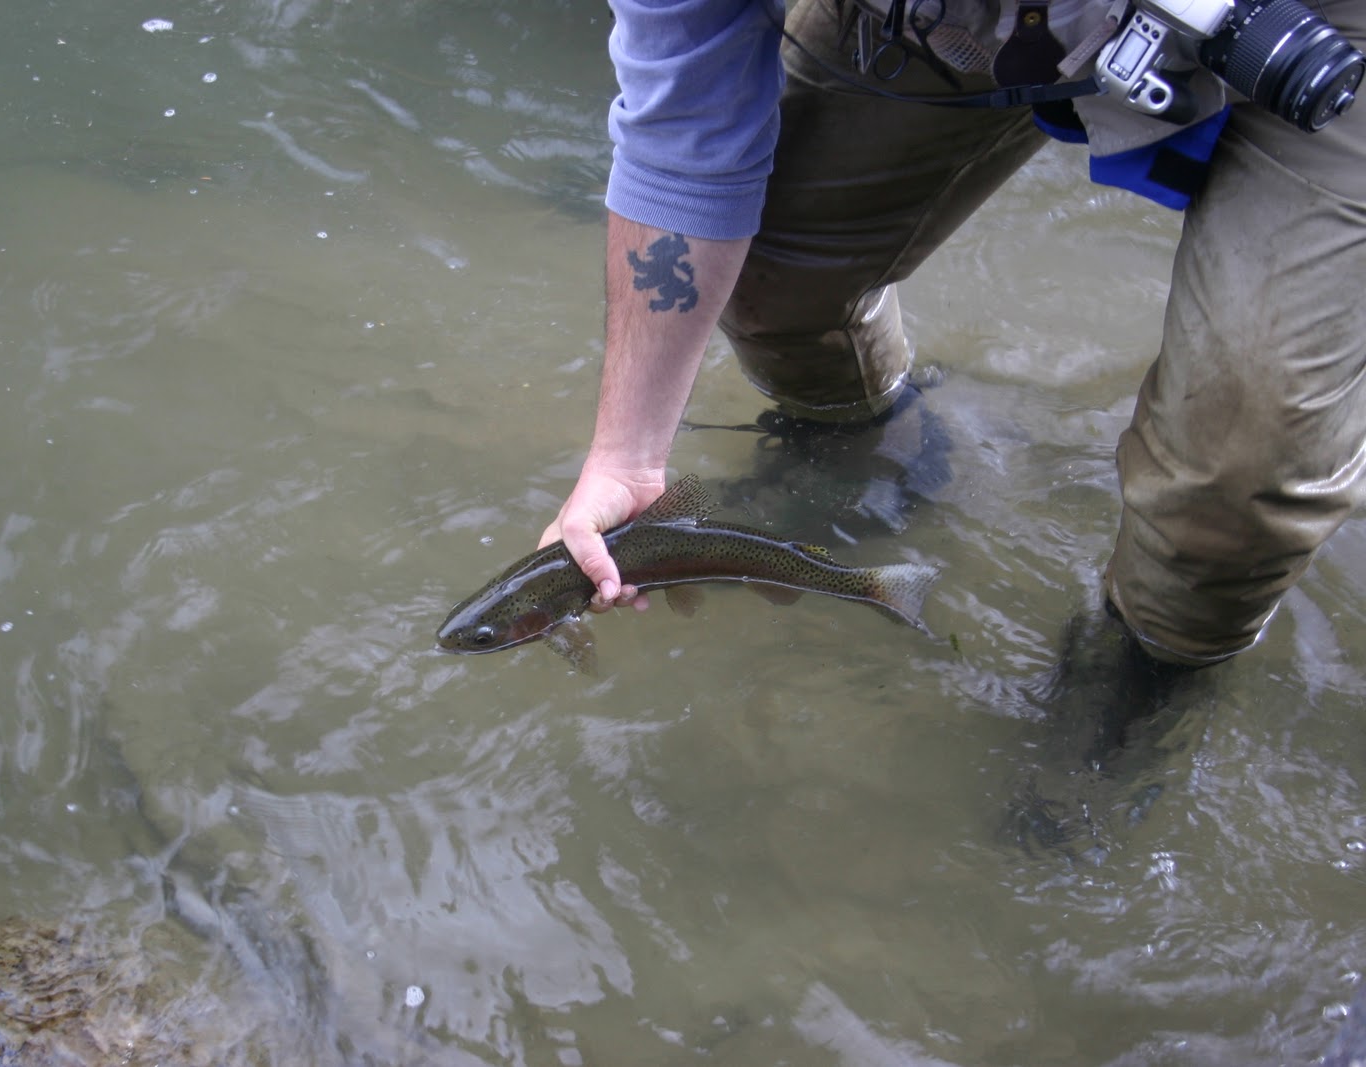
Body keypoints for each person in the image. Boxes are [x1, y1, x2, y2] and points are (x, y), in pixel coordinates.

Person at [539, 0, 1366, 667]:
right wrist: (625, 456)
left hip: (1327, 40)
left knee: (1244, 463)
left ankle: (1143, 677)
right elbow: (684, 147)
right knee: (774, 276)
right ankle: (879, 452)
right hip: (963, 20)